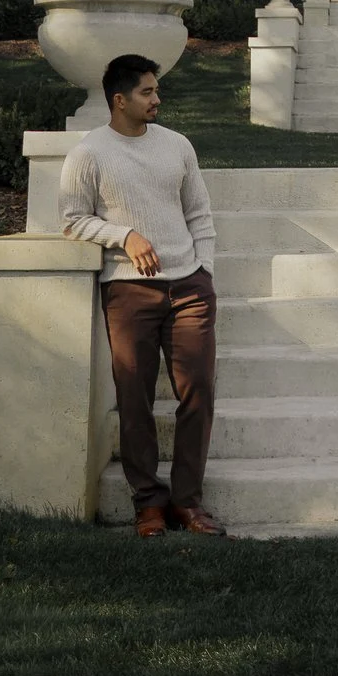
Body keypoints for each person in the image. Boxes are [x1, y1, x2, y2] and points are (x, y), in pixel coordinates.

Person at [58, 52, 225, 538]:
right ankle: (148, 504)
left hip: (189, 287)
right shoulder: (89, 153)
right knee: (134, 398)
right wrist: (124, 235)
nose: (157, 99)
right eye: (147, 92)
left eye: (156, 90)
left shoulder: (177, 145)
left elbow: (199, 214)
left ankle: (188, 502)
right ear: (119, 99)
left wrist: (205, 273)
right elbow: (72, 220)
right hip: (129, 289)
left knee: (198, 392)